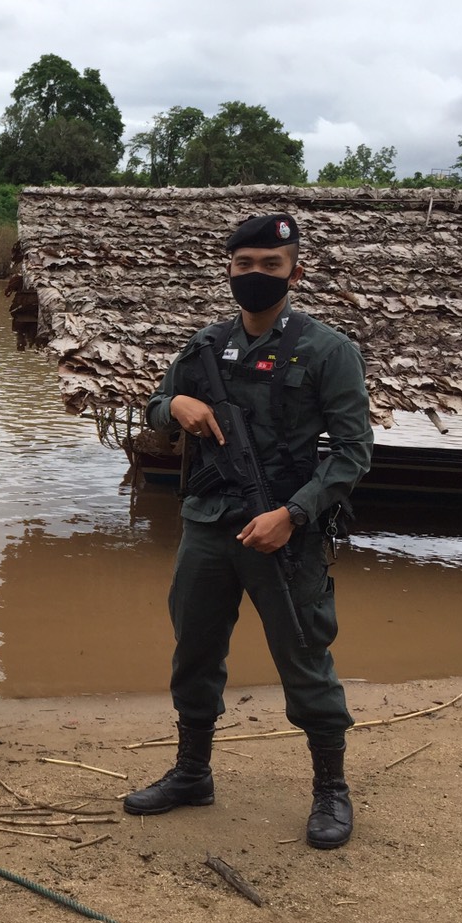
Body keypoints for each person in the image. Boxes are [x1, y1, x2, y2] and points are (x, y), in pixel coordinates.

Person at [123, 213, 373, 849]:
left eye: (270, 265)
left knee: (304, 656)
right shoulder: (206, 345)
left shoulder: (328, 351)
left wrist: (293, 515)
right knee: (195, 650)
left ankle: (331, 789)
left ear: (295, 272)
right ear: (229, 270)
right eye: (244, 265)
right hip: (208, 527)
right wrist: (174, 405)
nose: (255, 275)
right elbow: (153, 406)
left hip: (286, 531)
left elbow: (353, 453)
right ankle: (192, 773)